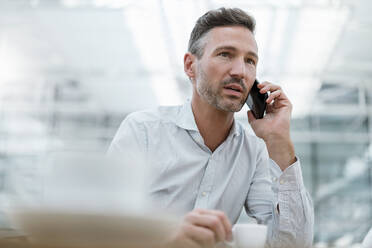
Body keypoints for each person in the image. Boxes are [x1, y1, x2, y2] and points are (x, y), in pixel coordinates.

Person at [108, 7, 314, 248]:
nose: (240, 71)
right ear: (190, 66)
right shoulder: (142, 131)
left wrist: (279, 140)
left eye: (250, 61)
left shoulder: (254, 150)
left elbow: (294, 245)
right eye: (225, 54)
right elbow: (104, 231)